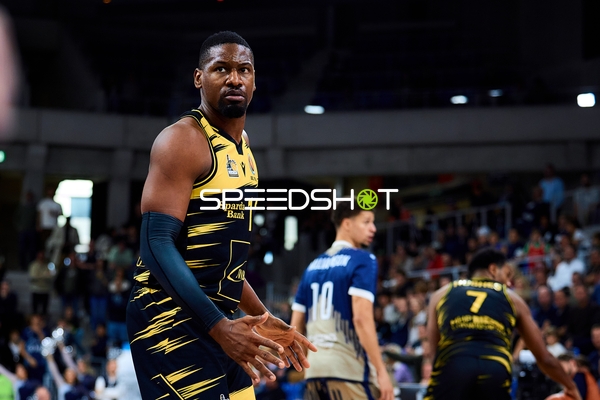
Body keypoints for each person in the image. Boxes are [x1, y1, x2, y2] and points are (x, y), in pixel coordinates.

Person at [126, 31, 316, 400]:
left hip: (220, 318)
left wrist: (262, 316)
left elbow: (222, 262)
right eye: (221, 69)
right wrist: (218, 326)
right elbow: (155, 243)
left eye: (244, 70)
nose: (234, 78)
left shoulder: (244, 150)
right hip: (169, 320)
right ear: (199, 78)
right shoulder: (182, 140)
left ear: (255, 81)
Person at [425, 248, 581, 400]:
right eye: (507, 275)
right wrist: (571, 387)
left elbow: (434, 353)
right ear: (493, 269)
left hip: (454, 366)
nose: (508, 283)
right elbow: (544, 358)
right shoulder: (512, 299)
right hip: (495, 369)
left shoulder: (441, 294)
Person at [290, 201, 394, 400]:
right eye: (366, 222)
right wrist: (381, 371)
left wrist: (311, 364)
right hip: (348, 371)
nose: (373, 228)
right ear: (347, 224)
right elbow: (361, 318)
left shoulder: (311, 267)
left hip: (314, 373)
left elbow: (295, 327)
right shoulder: (363, 260)